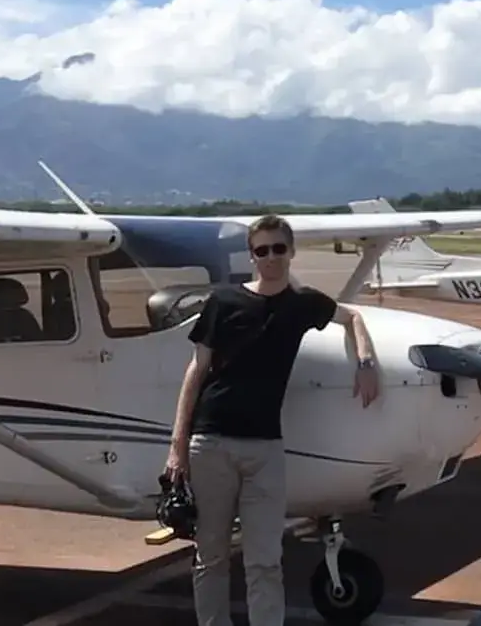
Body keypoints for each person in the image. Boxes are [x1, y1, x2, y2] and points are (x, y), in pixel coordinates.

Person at [163, 214, 380, 626]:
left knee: (265, 559)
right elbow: (196, 373)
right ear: (252, 256)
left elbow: (351, 317)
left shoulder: (302, 305)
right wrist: (178, 448)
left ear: (291, 252)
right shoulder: (224, 302)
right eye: (261, 250)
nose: (271, 257)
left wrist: (366, 362)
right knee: (211, 555)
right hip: (211, 442)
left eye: (279, 248)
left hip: (265, 448)